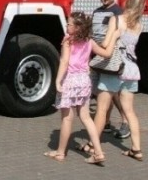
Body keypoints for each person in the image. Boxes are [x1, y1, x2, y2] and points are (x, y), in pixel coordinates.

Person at [84, 0, 146, 162]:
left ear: (127, 4)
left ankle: (92, 146)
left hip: (115, 68)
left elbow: (105, 44)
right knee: (130, 111)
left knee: (102, 109)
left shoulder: (117, 20)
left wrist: (107, 37)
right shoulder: (139, 25)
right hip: (132, 70)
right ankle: (136, 149)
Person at [44, 12, 105, 164]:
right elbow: (105, 53)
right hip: (84, 80)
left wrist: (58, 81)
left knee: (67, 118)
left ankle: (60, 153)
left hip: (70, 80)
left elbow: (64, 62)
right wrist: (113, 37)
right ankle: (98, 152)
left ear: (77, 27)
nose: (67, 27)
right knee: (85, 117)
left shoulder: (68, 41)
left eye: (69, 24)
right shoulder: (89, 41)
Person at [91, 0, 128, 138]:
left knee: (113, 93)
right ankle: (106, 122)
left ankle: (125, 121)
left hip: (111, 57)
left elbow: (120, 37)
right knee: (102, 91)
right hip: (97, 56)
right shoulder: (97, 12)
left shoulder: (118, 13)